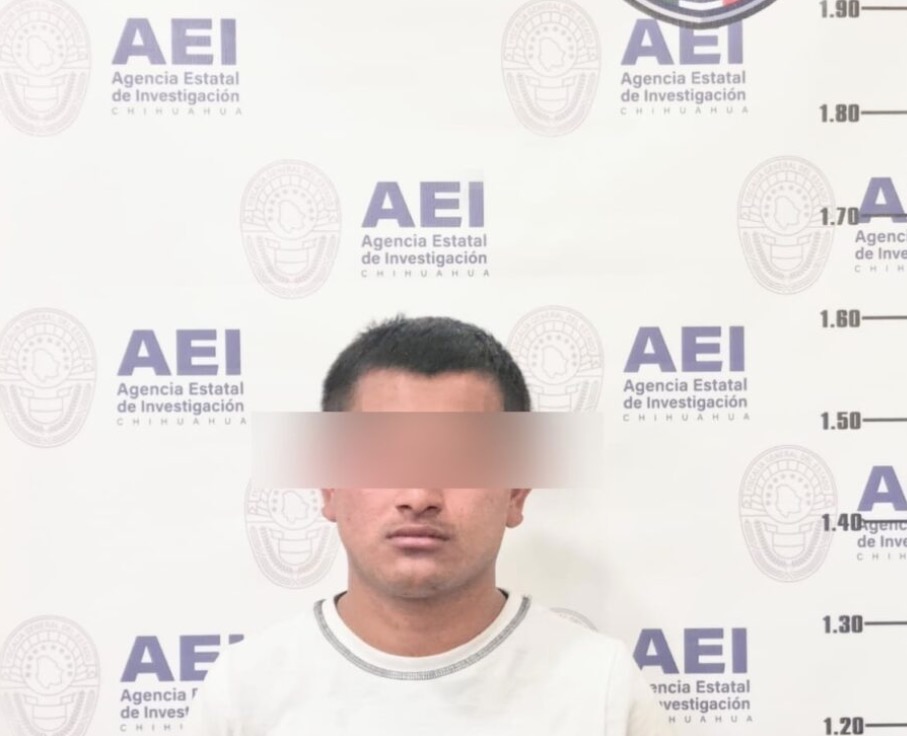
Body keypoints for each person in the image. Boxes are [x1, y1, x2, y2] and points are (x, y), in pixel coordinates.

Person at [185, 315, 673, 735]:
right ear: (329, 487)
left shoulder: (601, 690)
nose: (419, 497)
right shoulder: (243, 694)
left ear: (516, 493)